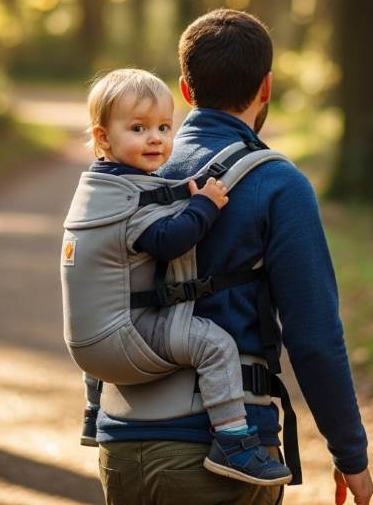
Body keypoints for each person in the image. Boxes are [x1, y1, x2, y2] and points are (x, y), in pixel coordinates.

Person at [95, 10, 373, 504]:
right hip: (220, 456)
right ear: (266, 88)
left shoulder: (130, 167)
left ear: (184, 89)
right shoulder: (278, 184)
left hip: (121, 441)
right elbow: (314, 339)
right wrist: (350, 454)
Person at [79, 68, 293, 486]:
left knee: (102, 313)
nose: (156, 138)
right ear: (103, 138)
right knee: (213, 344)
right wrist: (206, 207)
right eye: (138, 128)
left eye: (163, 126)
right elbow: (166, 240)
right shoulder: (128, 195)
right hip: (131, 335)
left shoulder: (96, 187)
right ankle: (233, 442)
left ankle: (92, 413)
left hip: (93, 345)